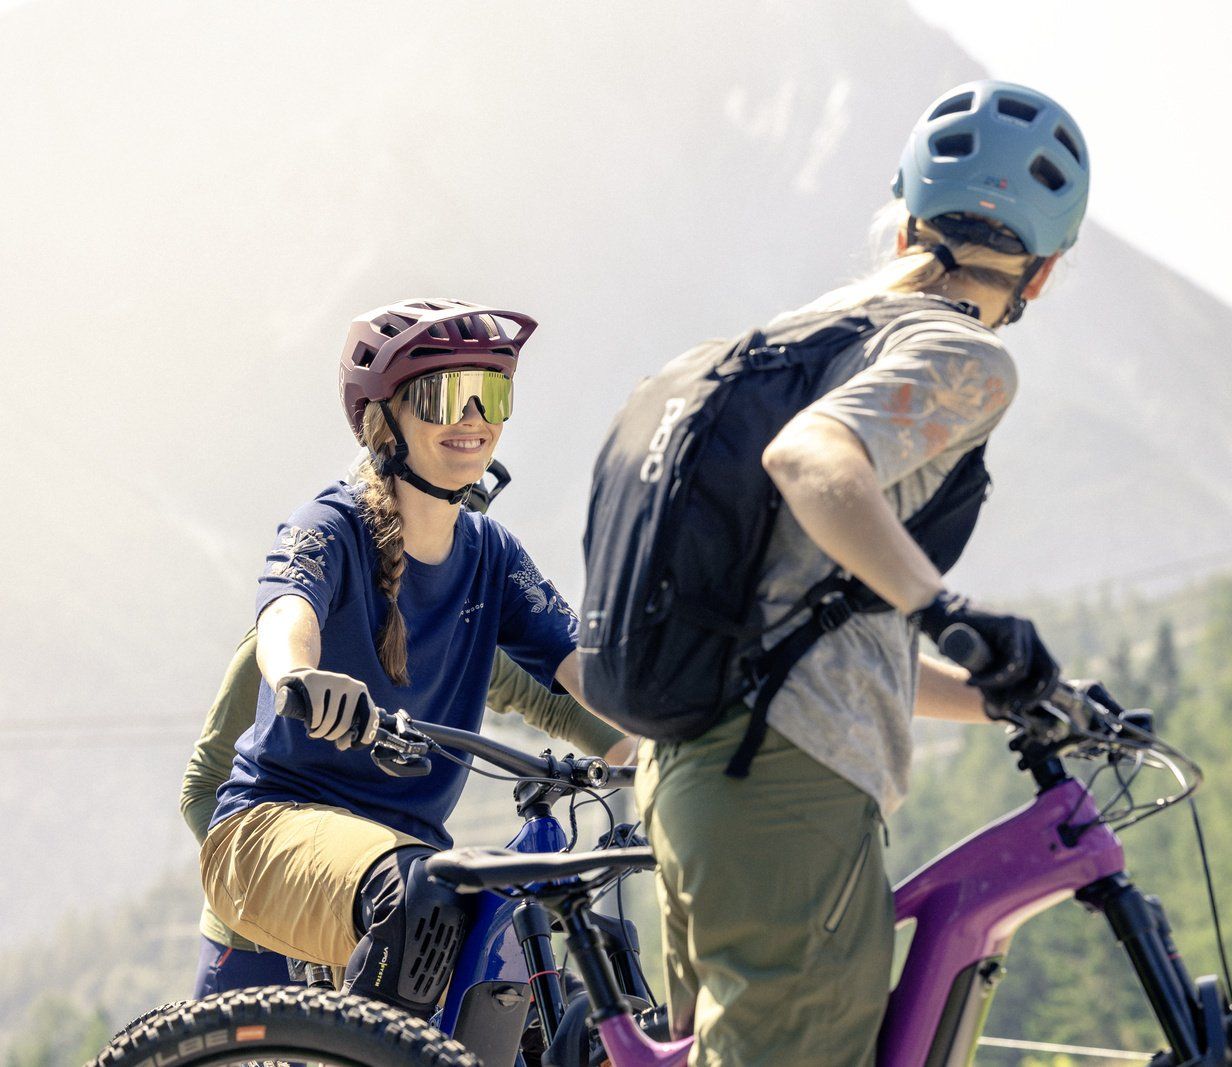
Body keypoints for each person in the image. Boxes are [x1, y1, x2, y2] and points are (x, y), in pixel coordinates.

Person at [635, 80, 1087, 1065]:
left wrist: (1012, 696)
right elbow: (811, 462)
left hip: (697, 779)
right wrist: (948, 608)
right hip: (785, 794)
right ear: (1040, 274)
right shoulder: (960, 351)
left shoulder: (814, 338)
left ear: (905, 225)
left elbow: (830, 634)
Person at [199, 298, 619, 1017]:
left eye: (494, 394)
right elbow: (286, 609)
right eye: (446, 395)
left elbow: (581, 671)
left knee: (566, 975)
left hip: (407, 856)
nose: (475, 417)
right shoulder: (332, 526)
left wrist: (674, 737)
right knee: (430, 896)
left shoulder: (492, 556)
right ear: (381, 419)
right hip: (270, 833)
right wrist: (300, 675)